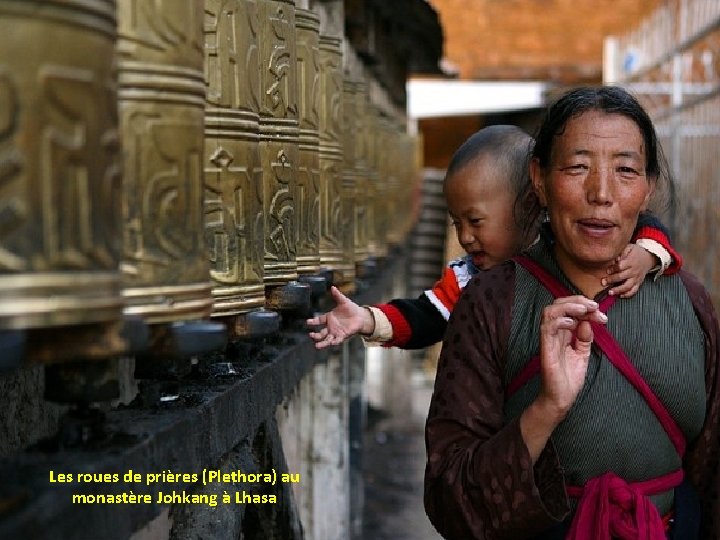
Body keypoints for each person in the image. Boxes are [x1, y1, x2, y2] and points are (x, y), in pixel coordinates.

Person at [424, 86, 720, 539]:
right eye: (577, 167)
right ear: (539, 179)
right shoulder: (491, 303)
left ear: (648, 189)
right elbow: (450, 498)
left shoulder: (690, 302)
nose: (600, 193)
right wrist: (547, 408)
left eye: (625, 170)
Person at [307, 125, 681, 351]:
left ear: (529, 203)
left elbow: (644, 224)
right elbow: (425, 317)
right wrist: (366, 319)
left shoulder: (569, 242)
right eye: (457, 223)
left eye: (475, 221)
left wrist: (647, 255)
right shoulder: (469, 280)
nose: (465, 238)